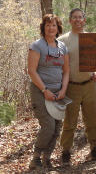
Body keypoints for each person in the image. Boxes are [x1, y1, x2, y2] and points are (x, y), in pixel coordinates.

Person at [58, 8, 96, 164]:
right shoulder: (62, 40)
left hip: (89, 84)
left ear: (84, 20)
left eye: (80, 17)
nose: (77, 20)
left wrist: (95, 71)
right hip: (71, 86)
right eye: (74, 17)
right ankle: (66, 152)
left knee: (92, 119)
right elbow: (57, 64)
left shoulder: (91, 38)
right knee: (70, 121)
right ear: (70, 20)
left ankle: (95, 149)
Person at [28, 14, 69, 169]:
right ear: (43, 28)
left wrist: (64, 89)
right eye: (47, 25)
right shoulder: (37, 46)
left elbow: (66, 71)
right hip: (40, 91)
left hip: (58, 92)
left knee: (57, 127)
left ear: (58, 28)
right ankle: (36, 158)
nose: (51, 28)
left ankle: (47, 158)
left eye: (54, 25)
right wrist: (44, 90)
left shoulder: (62, 47)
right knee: (48, 126)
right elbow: (31, 71)